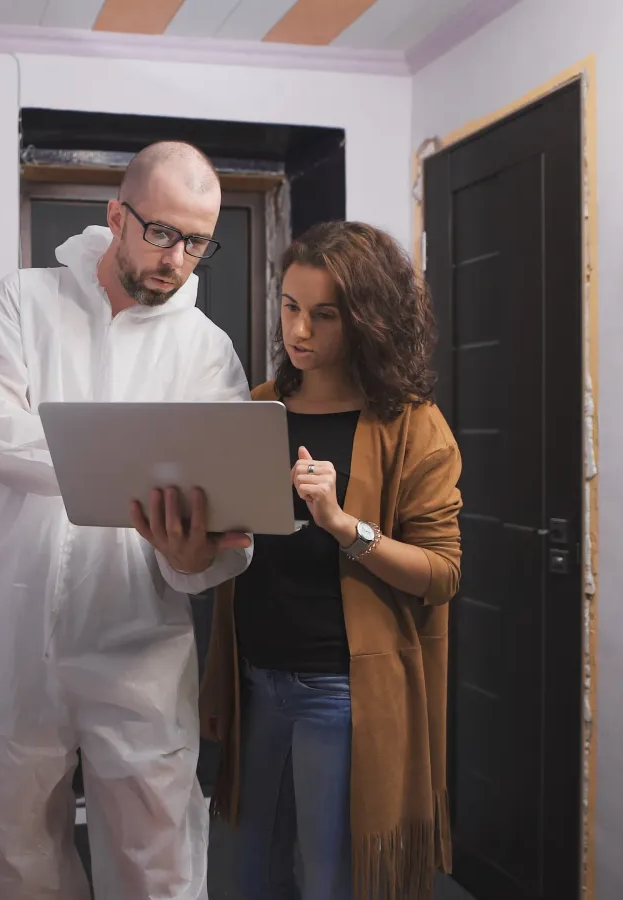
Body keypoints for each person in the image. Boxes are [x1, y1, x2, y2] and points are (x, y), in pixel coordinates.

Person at [0, 141, 253, 900]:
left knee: (159, 866)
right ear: (116, 215)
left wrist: (193, 557)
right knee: (20, 861)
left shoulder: (208, 354)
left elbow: (221, 536)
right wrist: (125, 471)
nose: (177, 259)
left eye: (197, 242)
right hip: (11, 636)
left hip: (140, 647)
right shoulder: (23, 302)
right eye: (161, 233)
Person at [200, 221, 463, 900]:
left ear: (368, 319)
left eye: (323, 314)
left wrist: (346, 525)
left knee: (329, 882)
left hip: (341, 695)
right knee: (251, 876)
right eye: (290, 307)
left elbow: (442, 572)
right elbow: (230, 554)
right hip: (255, 680)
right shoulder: (258, 408)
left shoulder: (410, 423)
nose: (300, 331)